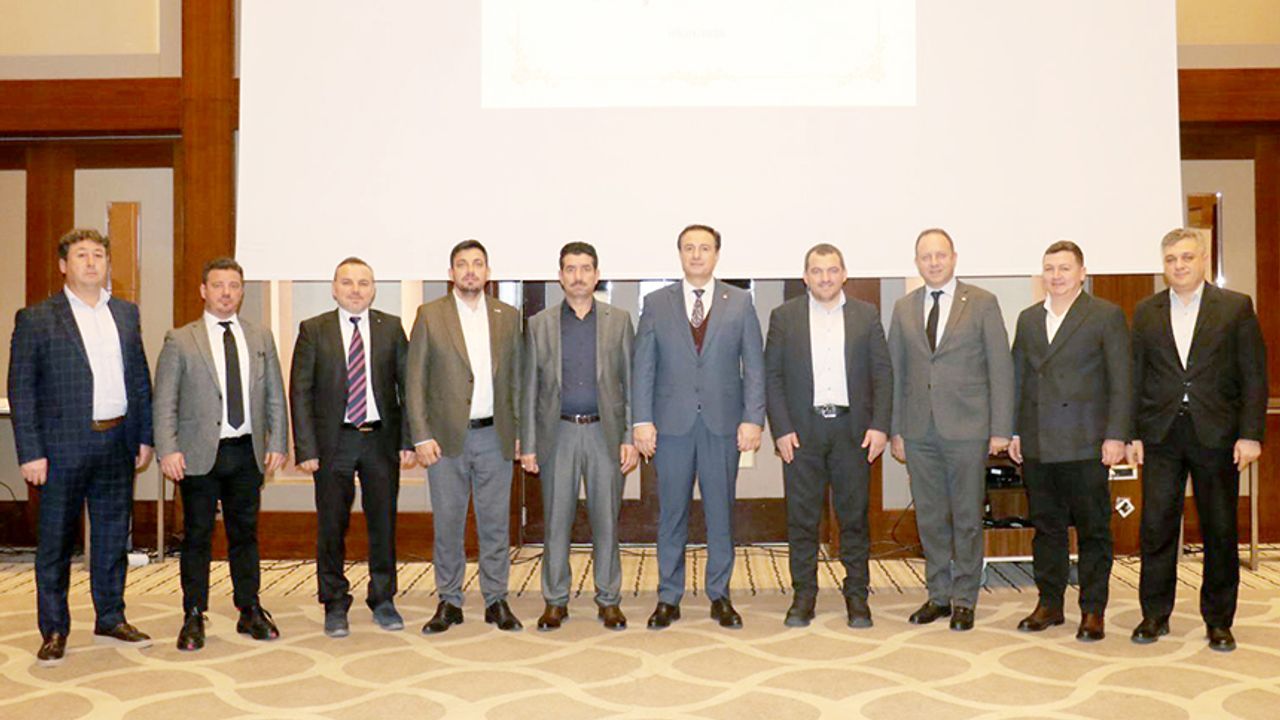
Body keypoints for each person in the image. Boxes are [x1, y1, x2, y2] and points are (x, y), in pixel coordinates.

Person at [8, 228, 155, 667]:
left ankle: (111, 617)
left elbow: (139, 379)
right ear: (63, 265)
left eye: (98, 255)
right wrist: (30, 452)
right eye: (81, 255)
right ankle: (54, 629)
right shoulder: (36, 318)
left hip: (117, 441)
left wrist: (144, 435)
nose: (91, 263)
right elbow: (22, 390)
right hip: (60, 448)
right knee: (55, 543)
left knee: (111, 538)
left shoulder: (125, 313)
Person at [1128, 228, 1266, 653]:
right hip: (1162, 434)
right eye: (1171, 259)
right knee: (1156, 527)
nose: (1179, 266)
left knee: (1220, 528)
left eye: (1187, 257)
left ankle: (1219, 620)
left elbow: (1254, 375)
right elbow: (1136, 377)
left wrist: (1250, 434)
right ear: (1163, 265)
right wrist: (1132, 433)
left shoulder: (1235, 307)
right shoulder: (1146, 311)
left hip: (1217, 434)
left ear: (1203, 259)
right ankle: (1154, 614)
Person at [632, 224, 765, 630]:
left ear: (716, 254)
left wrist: (752, 418)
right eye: (689, 248)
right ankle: (668, 597)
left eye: (704, 248)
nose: (696, 255)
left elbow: (754, 366)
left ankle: (719, 595)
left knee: (720, 513)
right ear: (680, 254)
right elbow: (643, 367)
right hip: (670, 427)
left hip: (722, 425)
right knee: (671, 514)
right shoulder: (656, 303)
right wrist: (641, 420)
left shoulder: (740, 302)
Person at [153, 257, 288, 651]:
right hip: (198, 455)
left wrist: (278, 441)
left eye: (233, 286)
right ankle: (194, 613)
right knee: (197, 536)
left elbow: (274, 394)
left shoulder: (260, 336)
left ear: (241, 291)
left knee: (245, 534)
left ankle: (249, 609)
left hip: (246, 452)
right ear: (203, 291)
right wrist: (168, 449)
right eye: (218, 285)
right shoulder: (181, 340)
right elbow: (165, 401)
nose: (226, 293)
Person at [887, 228, 1014, 631]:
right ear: (917, 262)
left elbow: (1001, 368)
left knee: (966, 516)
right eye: (926, 256)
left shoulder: (982, 302)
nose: (934, 262)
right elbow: (895, 372)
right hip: (918, 430)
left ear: (954, 257)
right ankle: (938, 595)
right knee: (930, 517)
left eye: (940, 255)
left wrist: (1001, 428)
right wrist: (895, 430)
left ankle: (964, 598)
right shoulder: (903, 308)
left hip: (967, 428)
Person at [1008, 241, 1130, 642]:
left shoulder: (1105, 315)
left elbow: (1121, 380)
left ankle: (1093, 609)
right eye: (1049, 268)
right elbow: (1018, 379)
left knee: (1094, 531)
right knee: (1047, 529)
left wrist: (1116, 435)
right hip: (1039, 442)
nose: (1056, 276)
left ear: (1082, 273)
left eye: (1064, 268)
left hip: (1086, 442)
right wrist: (1015, 431)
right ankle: (1050, 604)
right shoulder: (1028, 319)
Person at [764, 244, 891, 628]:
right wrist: (781, 429)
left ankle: (857, 596)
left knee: (854, 518)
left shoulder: (866, 315)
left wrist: (880, 425)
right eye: (817, 271)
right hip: (802, 433)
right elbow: (772, 377)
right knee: (802, 519)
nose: (825, 278)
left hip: (854, 432)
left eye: (832, 270)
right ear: (806, 276)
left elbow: (883, 373)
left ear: (844, 274)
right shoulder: (784, 316)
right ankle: (804, 595)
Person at [290, 257, 414, 637]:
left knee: (383, 523)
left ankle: (383, 598)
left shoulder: (391, 327)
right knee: (331, 525)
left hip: (380, 440)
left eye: (363, 283)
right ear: (334, 288)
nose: (356, 290)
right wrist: (306, 448)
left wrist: (407, 441)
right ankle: (334, 601)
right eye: (347, 282)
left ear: (373, 290)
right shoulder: (314, 329)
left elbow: (408, 388)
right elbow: (300, 391)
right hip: (334, 442)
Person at [406, 240, 523, 633]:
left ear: (488, 272)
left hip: (495, 436)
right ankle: (449, 600)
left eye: (477, 263)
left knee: (495, 525)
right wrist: (421, 436)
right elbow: (415, 380)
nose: (470, 270)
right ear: (451, 272)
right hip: (445, 441)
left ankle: (496, 599)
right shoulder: (430, 315)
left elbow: (518, 379)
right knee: (448, 524)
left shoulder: (507, 316)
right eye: (462, 264)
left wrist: (519, 432)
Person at [520, 242, 638, 631]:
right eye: (570, 269)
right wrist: (529, 443)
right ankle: (555, 600)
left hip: (605, 433)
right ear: (560, 277)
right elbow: (529, 389)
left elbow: (630, 383)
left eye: (586, 268)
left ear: (597, 275)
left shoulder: (619, 320)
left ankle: (609, 600)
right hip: (559, 434)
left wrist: (629, 436)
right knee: (557, 522)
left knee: (607, 521)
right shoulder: (539, 324)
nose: (578, 276)